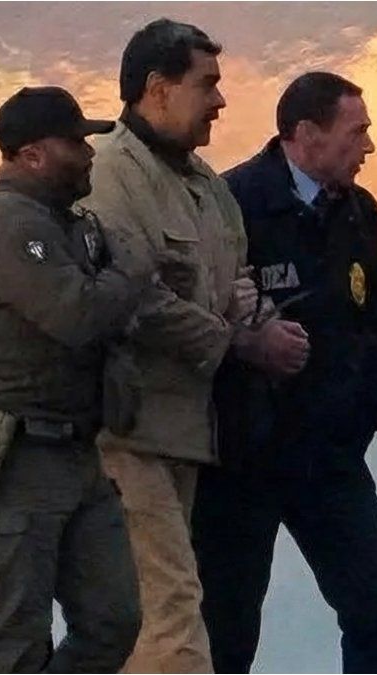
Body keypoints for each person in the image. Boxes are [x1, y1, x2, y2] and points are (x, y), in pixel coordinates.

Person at [79, 20, 312, 673]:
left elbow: (236, 281)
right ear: (158, 88)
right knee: (172, 612)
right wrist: (238, 341)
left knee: (147, 620)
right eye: (206, 84)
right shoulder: (109, 175)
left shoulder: (208, 188)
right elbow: (133, 296)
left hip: (187, 436)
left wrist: (266, 325)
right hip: (126, 435)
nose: (220, 101)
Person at [193, 71, 377, 674]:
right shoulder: (232, 203)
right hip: (242, 458)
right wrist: (249, 342)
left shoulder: (360, 212)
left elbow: (376, 323)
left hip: (329, 456)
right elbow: (188, 318)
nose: (369, 147)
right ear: (306, 133)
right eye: (357, 132)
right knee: (226, 634)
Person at [0, 85, 143, 673]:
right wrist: (132, 271)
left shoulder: (61, 222)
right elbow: (76, 315)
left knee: (113, 620)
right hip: (12, 458)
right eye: (75, 142)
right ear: (32, 154)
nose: (89, 154)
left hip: (71, 449)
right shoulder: (11, 223)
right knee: (14, 645)